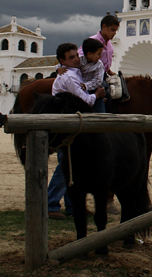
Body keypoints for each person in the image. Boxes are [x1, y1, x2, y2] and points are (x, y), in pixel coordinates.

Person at [48, 43, 106, 220]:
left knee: (71, 164)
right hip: (68, 125)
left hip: (71, 123)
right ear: (62, 61)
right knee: (66, 163)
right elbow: (85, 101)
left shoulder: (73, 71)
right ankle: (51, 204)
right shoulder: (69, 78)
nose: (76, 59)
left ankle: (72, 206)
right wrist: (98, 95)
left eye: (76, 56)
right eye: (71, 57)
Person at [57, 38, 106, 113]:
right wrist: (58, 69)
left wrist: (86, 86)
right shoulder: (79, 62)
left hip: (92, 87)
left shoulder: (99, 65)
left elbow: (98, 80)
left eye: (76, 55)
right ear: (89, 54)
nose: (100, 57)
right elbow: (60, 65)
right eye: (98, 54)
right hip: (81, 87)